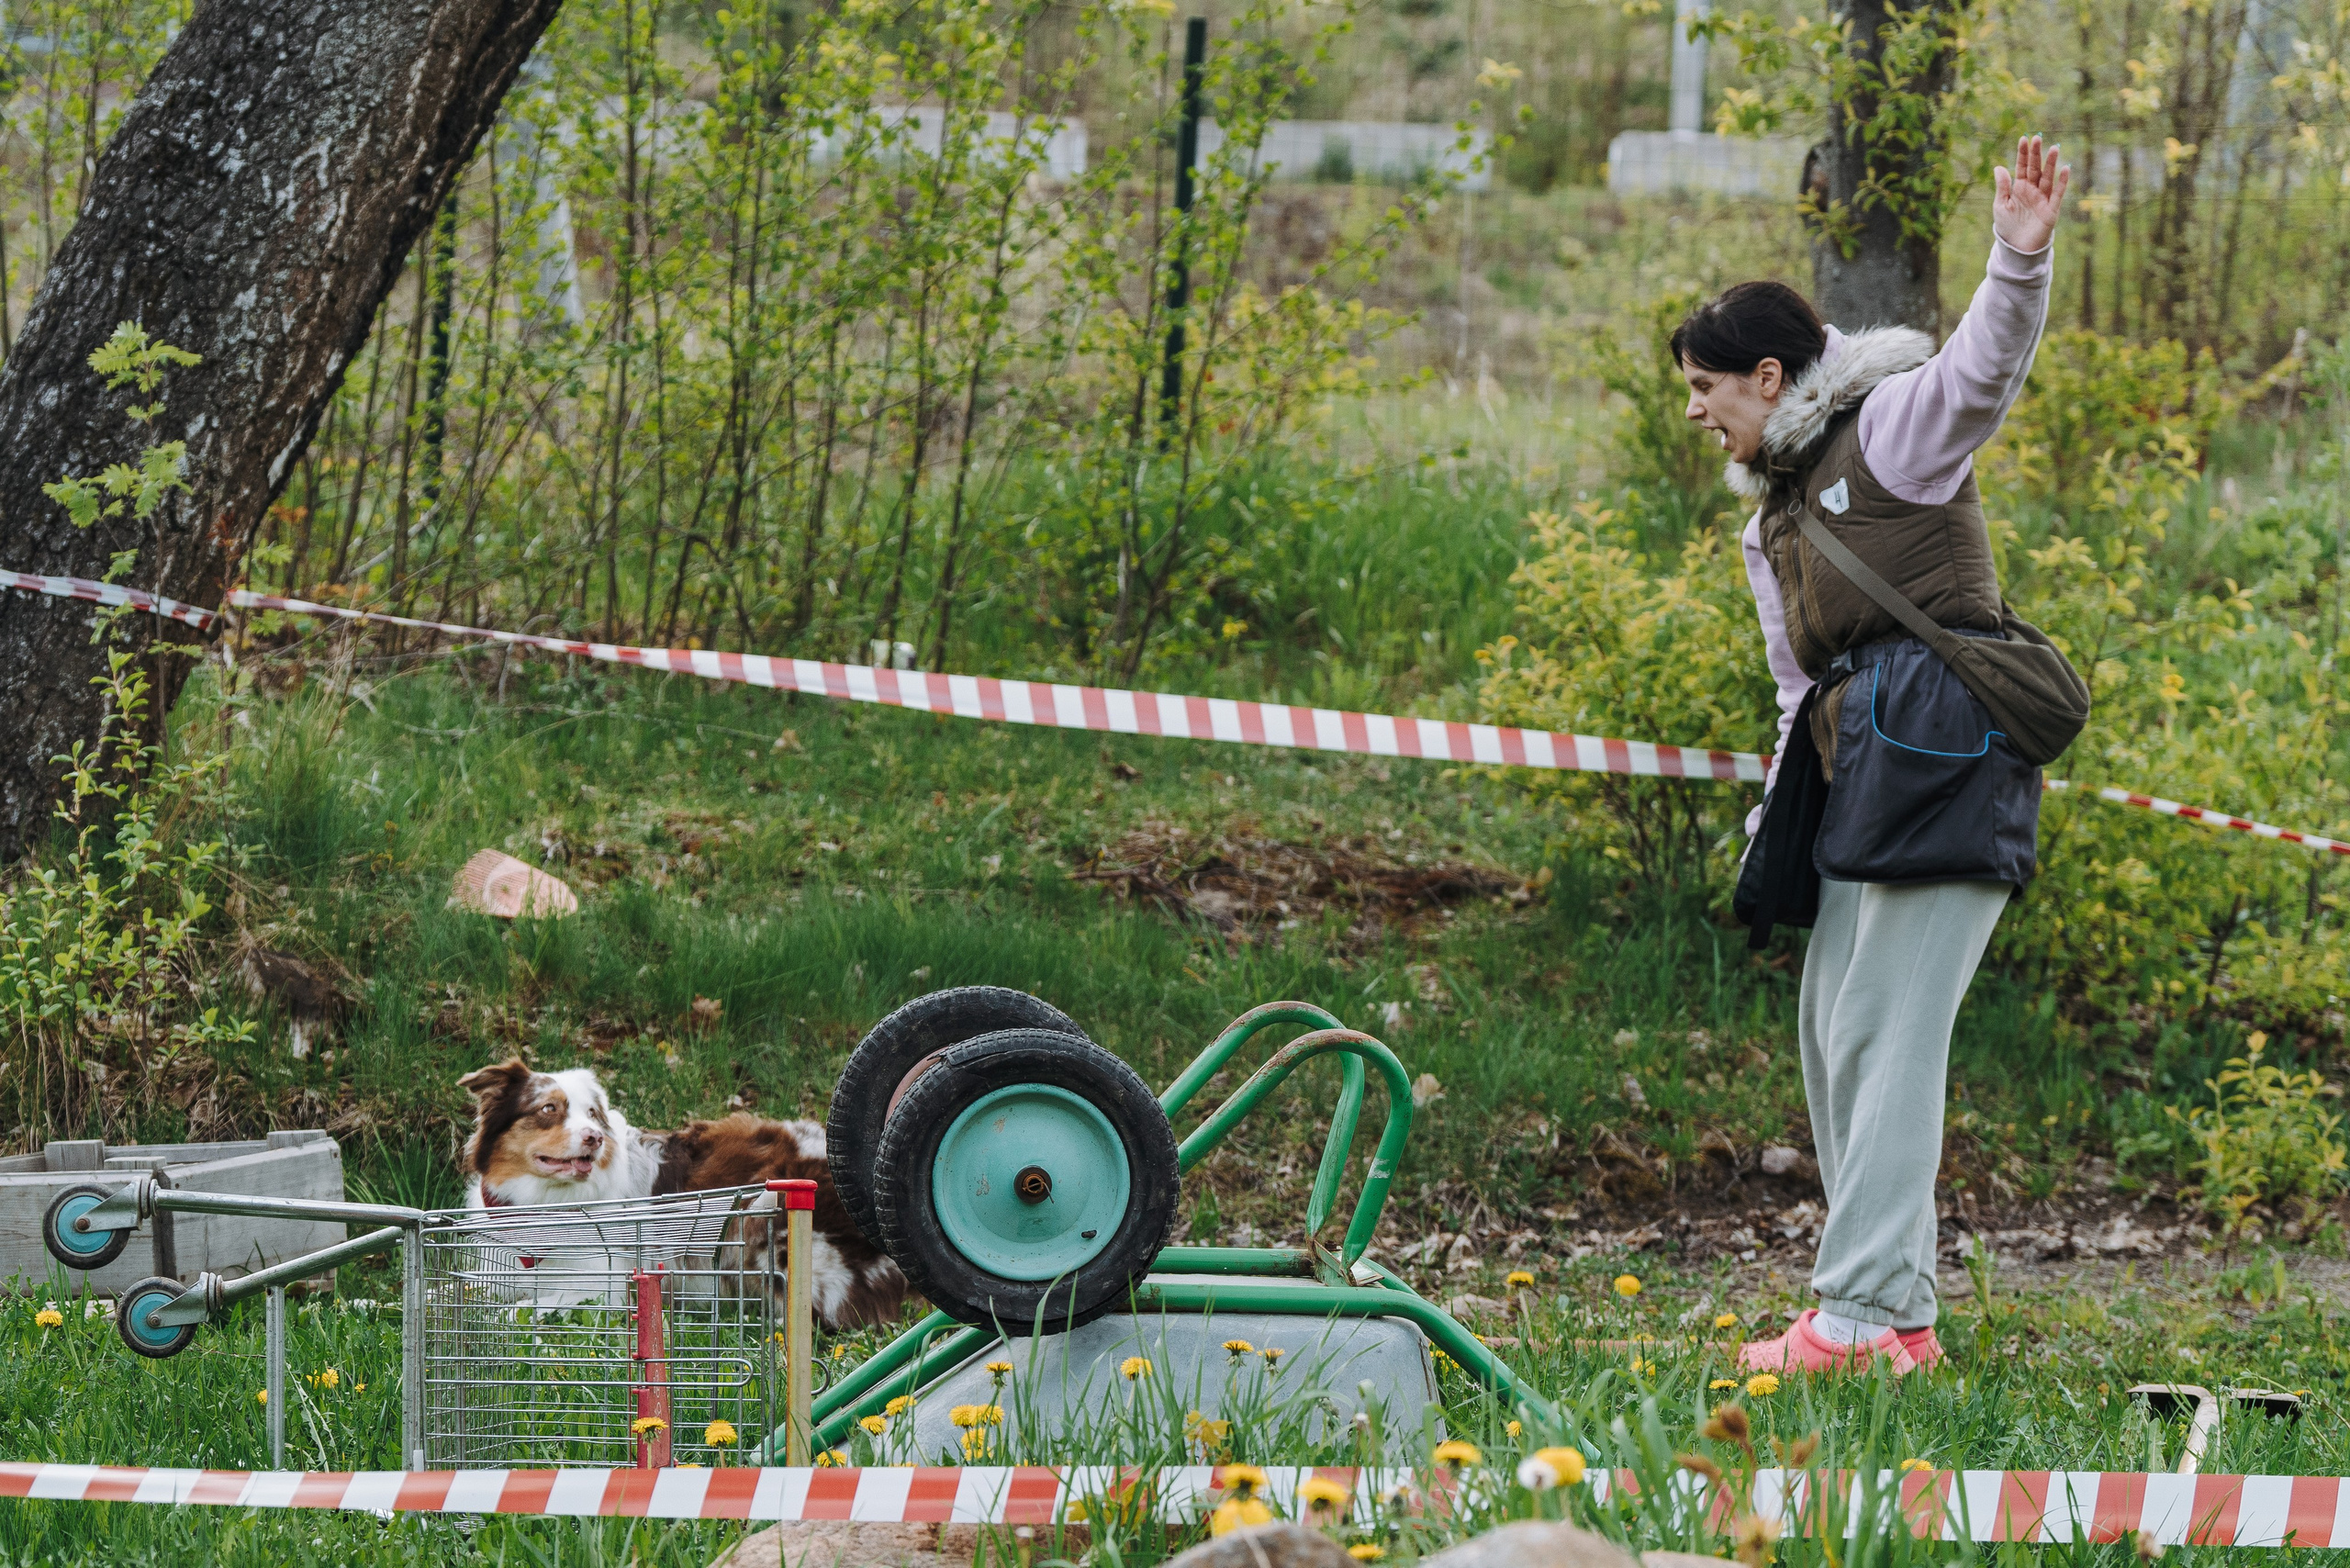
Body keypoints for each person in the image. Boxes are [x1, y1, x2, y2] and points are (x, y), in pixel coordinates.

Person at [1672, 136, 2071, 1373]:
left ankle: (1849, 1320)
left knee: (1891, 1038)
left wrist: (2017, 256)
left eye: (1705, 389)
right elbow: (1800, 694)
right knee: (1838, 1029)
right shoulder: (1774, 520)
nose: (1696, 412)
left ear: (1770, 373)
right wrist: (1770, 840)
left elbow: (1982, 374)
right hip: (1866, 781)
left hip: (1946, 755)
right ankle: (1895, 1320)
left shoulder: (1890, 431)